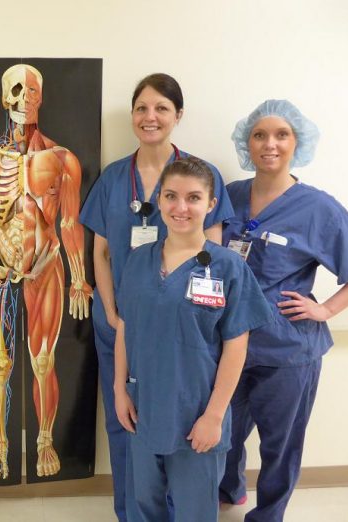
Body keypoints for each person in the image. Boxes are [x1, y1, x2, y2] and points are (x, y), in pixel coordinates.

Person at [78, 73, 233, 520]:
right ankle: (134, 515)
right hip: (124, 327)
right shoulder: (112, 178)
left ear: (177, 116)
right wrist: (111, 311)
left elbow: (215, 255)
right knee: (127, 423)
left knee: (186, 426)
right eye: (142, 108)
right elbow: (101, 254)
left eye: (162, 108)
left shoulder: (200, 176)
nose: (151, 117)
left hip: (187, 332)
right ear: (132, 116)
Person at [219, 100, 348, 521]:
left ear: (297, 143)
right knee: (224, 432)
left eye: (282, 135)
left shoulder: (318, 208)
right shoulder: (230, 195)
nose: (270, 144)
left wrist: (327, 309)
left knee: (281, 442)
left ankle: (268, 515)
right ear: (248, 142)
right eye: (260, 135)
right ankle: (228, 490)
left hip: (287, 349)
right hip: (229, 343)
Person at [114, 157, 272, 522]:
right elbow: (126, 327)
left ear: (211, 204)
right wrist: (120, 390)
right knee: (143, 507)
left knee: (194, 511)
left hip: (196, 412)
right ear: (160, 198)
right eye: (170, 196)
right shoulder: (138, 261)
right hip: (143, 408)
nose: (180, 207)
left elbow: (236, 344)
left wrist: (214, 417)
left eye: (193, 197)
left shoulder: (228, 267)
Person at [0, 63, 92, 479]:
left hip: (47, 266)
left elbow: (69, 222)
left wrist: (79, 278)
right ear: (4, 97)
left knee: (43, 361)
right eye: (16, 90)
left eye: (32, 91)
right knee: (0, 364)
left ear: (42, 98)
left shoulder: (63, 159)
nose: (24, 98)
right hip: (0, 268)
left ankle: (45, 440)